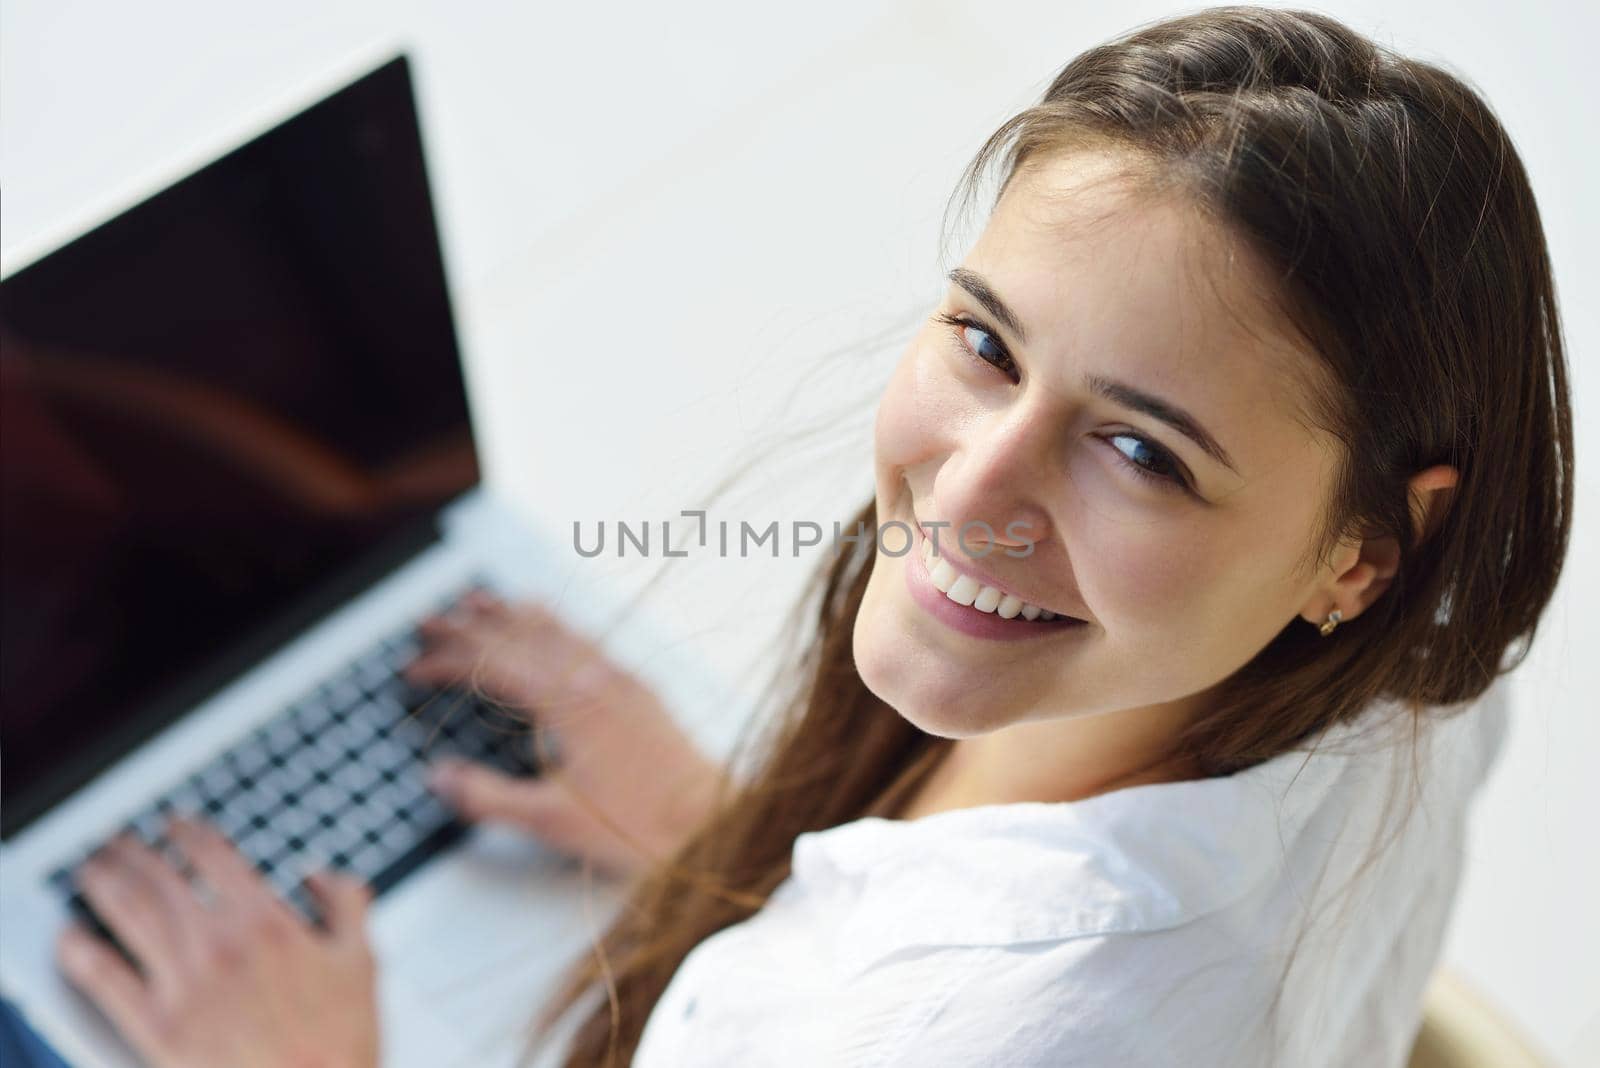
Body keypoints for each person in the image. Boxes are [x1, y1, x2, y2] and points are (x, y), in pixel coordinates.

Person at [55, 6, 1573, 1067]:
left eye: (1139, 451)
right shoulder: (1417, 675)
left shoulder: (914, 1035)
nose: (971, 494)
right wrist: (719, 830)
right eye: (987, 342)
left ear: (1367, 547)